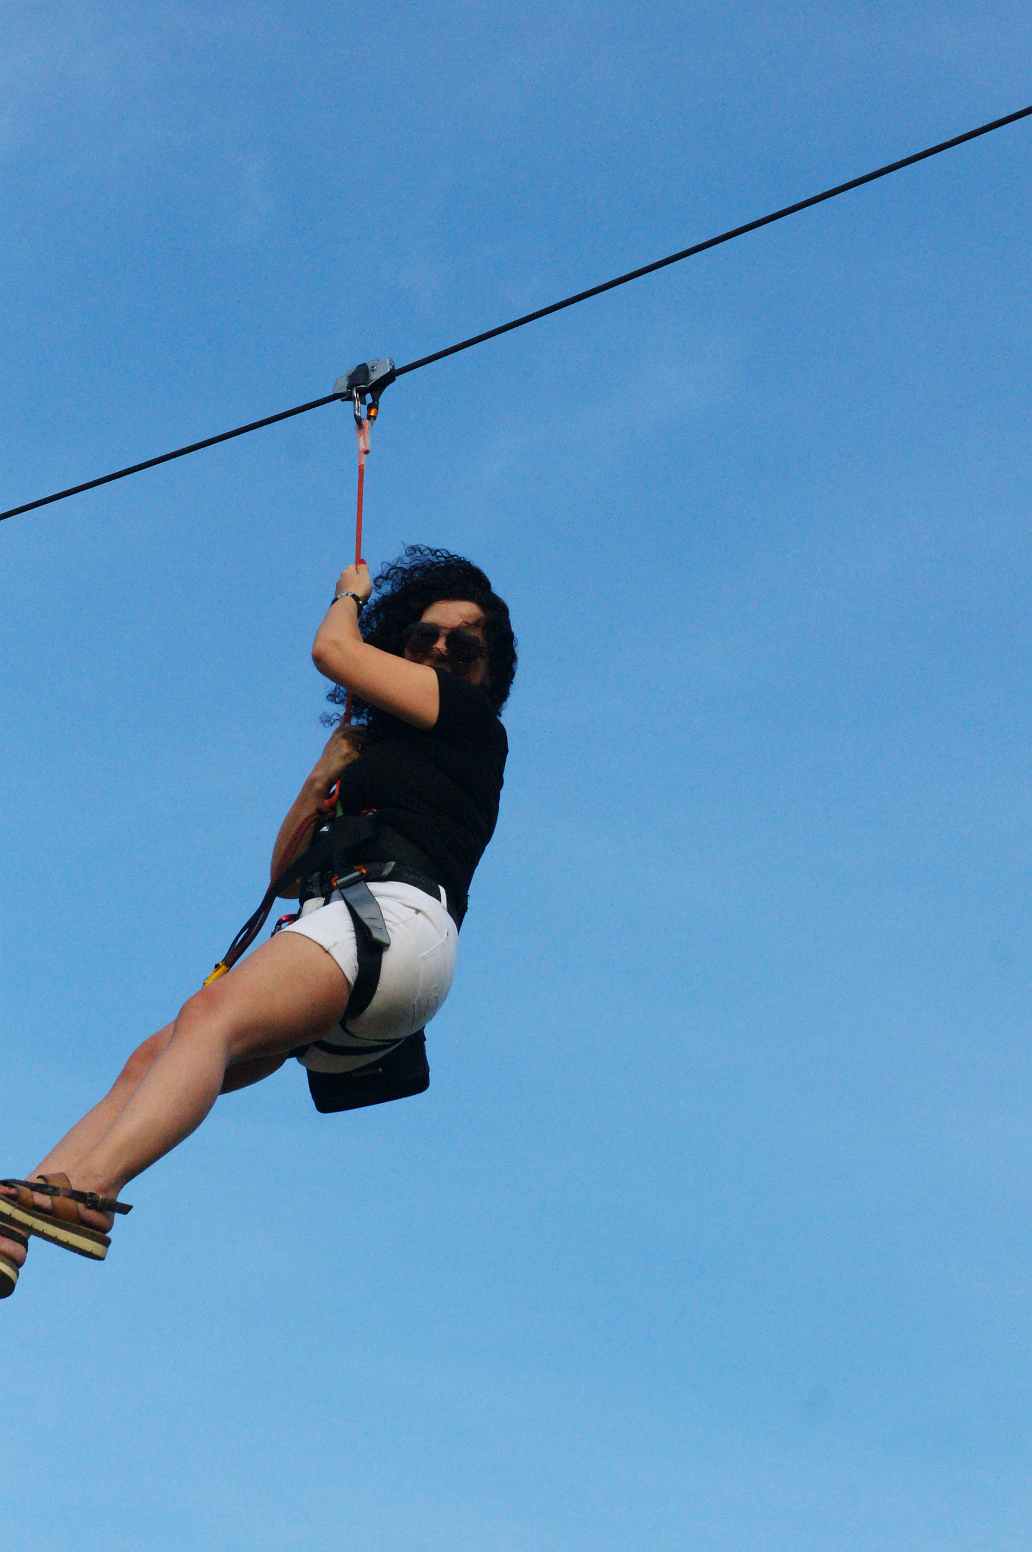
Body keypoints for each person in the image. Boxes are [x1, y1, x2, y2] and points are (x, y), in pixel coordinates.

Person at [0, 545, 516, 1296]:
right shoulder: (381, 755)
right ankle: (19, 1220)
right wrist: (323, 774)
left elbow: (332, 652)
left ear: (486, 672)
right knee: (152, 1060)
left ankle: (93, 1191)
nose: (439, 649)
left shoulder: (470, 721)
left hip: (395, 921)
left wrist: (350, 596)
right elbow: (285, 876)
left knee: (208, 1017)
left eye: (461, 645)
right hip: (359, 945)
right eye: (423, 637)